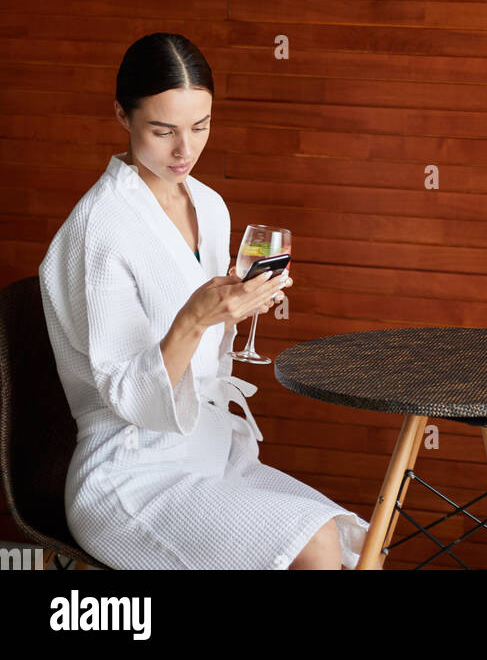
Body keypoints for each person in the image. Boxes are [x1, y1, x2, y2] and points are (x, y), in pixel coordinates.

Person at [38, 32, 370, 570]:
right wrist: (194, 320)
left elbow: (211, 352)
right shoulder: (98, 229)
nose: (184, 150)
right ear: (122, 116)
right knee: (316, 549)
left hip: (208, 447)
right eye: (162, 130)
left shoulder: (210, 206)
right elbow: (128, 395)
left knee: (356, 542)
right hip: (130, 468)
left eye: (200, 127)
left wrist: (237, 307)